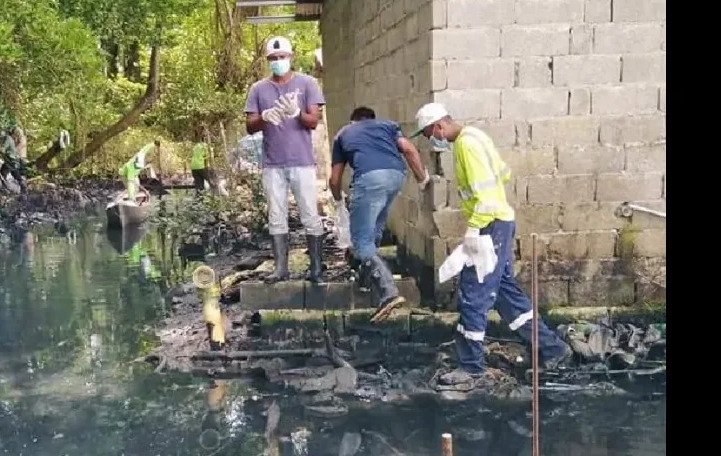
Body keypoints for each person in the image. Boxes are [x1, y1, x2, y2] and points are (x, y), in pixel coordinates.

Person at [411, 102, 573, 385]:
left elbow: (484, 194)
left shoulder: (465, 146)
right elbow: (503, 173)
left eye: (428, 134)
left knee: (473, 293)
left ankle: (470, 367)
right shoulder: (477, 136)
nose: (431, 140)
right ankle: (552, 348)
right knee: (504, 292)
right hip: (500, 222)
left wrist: (474, 231)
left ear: (439, 126)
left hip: (490, 226)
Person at [329, 107, 432, 323]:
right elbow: (409, 149)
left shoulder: (344, 133)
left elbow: (334, 179)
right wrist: (422, 179)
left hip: (368, 180)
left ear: (353, 120)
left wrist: (338, 201)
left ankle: (388, 292)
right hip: (396, 176)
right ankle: (367, 280)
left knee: (361, 243)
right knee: (374, 229)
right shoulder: (387, 126)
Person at [244, 36, 326, 284]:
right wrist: (265, 117)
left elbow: (315, 120)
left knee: (310, 213)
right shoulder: (259, 89)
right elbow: (249, 125)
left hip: (302, 161)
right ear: (268, 61)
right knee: (276, 216)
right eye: (273, 59)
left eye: (282, 57)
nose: (278, 62)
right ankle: (281, 268)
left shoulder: (307, 83)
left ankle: (316, 268)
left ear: (291, 57)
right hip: (272, 163)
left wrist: (297, 113)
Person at [0, 125, 28, 193]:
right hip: (14, 161)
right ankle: (23, 189)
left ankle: (5, 188)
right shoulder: (12, 140)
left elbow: (3, 149)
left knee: (3, 172)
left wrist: (0, 151)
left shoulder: (8, 138)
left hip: (10, 161)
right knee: (16, 175)